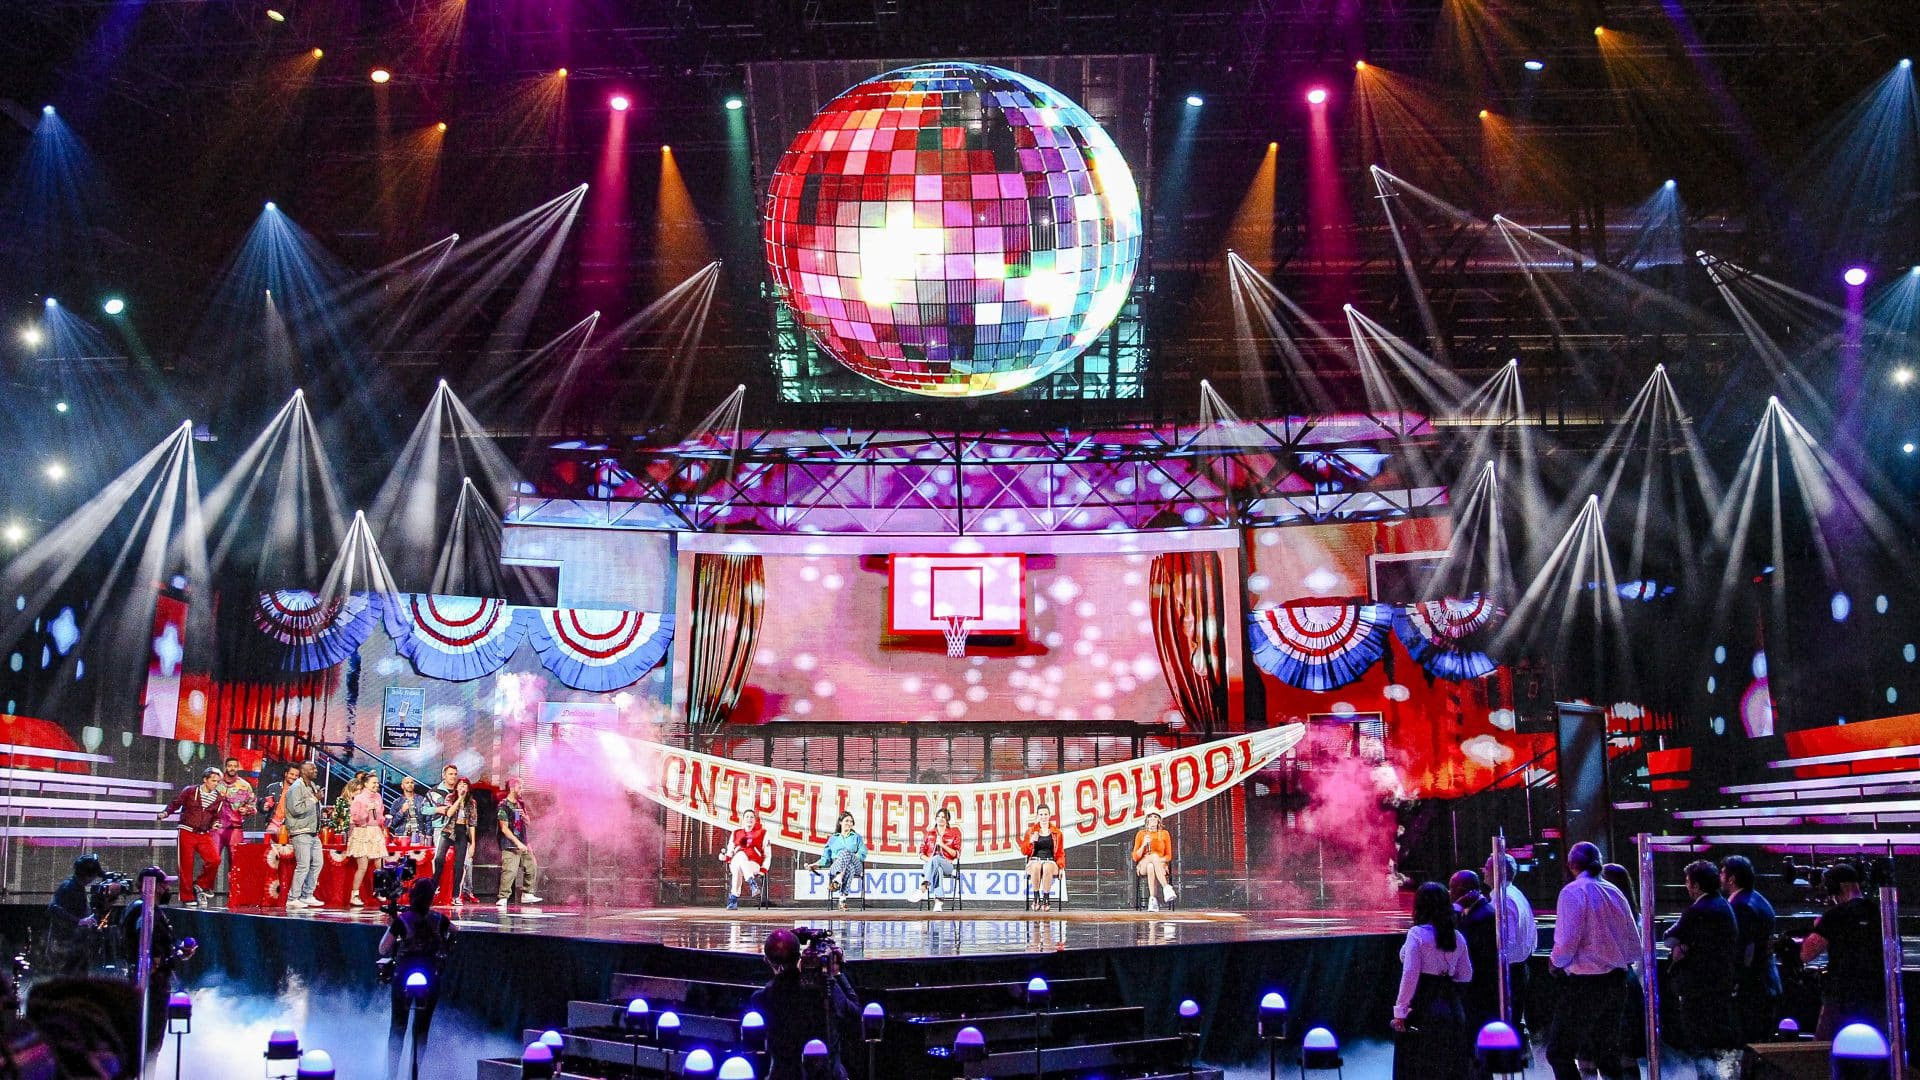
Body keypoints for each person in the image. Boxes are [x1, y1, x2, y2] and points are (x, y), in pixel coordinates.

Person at [1545, 841, 1641, 1080]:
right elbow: (1634, 945)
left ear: (1571, 865)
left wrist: (1555, 962)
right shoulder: (1614, 891)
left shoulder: (1573, 891)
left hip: (1586, 983)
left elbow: (1567, 941)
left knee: (1558, 1052)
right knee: (1607, 1052)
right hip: (1617, 981)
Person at [746, 929, 859, 1080]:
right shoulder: (822, 990)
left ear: (767, 960)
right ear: (798, 957)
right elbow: (855, 1012)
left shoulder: (760, 999)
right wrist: (836, 973)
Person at [1663, 860, 1739, 1074]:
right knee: (1715, 1044)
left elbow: (1669, 939)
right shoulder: (1723, 905)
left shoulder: (1697, 910)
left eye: (1688, 882)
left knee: (1699, 1043)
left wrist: (1683, 947)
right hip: (1720, 984)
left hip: (1697, 989)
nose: (1686, 886)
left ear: (1696, 885)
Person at [1393, 881, 1473, 1080]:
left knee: (1419, 1065)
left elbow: (1410, 974)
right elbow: (1466, 974)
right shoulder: (1457, 936)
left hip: (1424, 1003)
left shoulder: (1417, 934)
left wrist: (1400, 1011)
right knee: (1449, 1063)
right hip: (1451, 1005)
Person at [381, 877, 455, 1080]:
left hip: (403, 975)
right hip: (430, 976)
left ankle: (391, 1075)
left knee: (398, 1025)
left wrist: (391, 927)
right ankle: (415, 1075)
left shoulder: (403, 920)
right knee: (422, 1029)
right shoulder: (439, 919)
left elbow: (383, 948)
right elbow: (456, 932)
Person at [121, 866, 196, 1064]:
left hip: (152, 984)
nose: (167, 889)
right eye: (164, 885)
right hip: (151, 987)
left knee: (150, 1042)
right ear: (154, 886)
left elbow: (163, 947)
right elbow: (150, 952)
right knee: (149, 1042)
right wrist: (163, 959)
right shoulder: (144, 911)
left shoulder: (149, 910)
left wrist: (179, 952)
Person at [1800, 863, 1885, 1040]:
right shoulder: (1878, 912)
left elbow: (1806, 954)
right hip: (1876, 994)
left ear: (1836, 887)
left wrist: (1818, 927)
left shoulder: (1834, 915)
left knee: (1824, 1046)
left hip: (1841, 996)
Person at [1720, 855, 1781, 1043]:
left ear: (1732, 878)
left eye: (1722, 873)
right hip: (1767, 982)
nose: (1719, 877)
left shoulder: (1740, 906)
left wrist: (1735, 981)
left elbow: (1746, 948)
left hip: (1752, 989)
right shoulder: (1759, 900)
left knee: (1747, 1042)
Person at [157, 767, 228, 906]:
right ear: (205, 780)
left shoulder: (219, 798)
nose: (215, 784)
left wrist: (215, 823)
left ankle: (201, 885)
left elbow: (216, 816)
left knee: (215, 860)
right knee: (186, 865)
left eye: (217, 782)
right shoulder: (190, 791)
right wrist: (166, 813)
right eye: (213, 781)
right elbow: (176, 803)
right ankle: (187, 896)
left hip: (203, 834)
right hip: (186, 831)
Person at [1484, 852, 1536, 1035]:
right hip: (1519, 969)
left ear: (1497, 871)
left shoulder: (1502, 899)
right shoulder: (1517, 894)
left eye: (1487, 867)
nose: (1484, 871)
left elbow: (1507, 943)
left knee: (1506, 1026)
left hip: (1508, 973)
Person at [1450, 869, 1500, 1042]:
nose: (1450, 894)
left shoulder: (1481, 916)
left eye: (1452, 889)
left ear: (1463, 891)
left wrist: (1456, 908)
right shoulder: (1479, 911)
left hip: (1478, 988)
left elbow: (1459, 945)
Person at [46, 854, 106, 975]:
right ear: (87, 875)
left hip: (73, 945)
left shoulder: (75, 886)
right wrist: (79, 921)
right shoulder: (69, 887)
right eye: (93, 875)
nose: (94, 879)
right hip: (66, 947)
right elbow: (53, 908)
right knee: (69, 978)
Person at [213, 757, 256, 907]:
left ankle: (235, 894)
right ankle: (204, 890)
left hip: (235, 828)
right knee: (212, 860)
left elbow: (253, 806)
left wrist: (247, 810)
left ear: (238, 768)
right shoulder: (216, 783)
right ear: (225, 767)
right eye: (229, 766)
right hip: (217, 828)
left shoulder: (244, 785)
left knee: (236, 862)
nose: (232, 768)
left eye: (234, 766)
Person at [496, 776, 543, 907]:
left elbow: (528, 822)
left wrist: (525, 817)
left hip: (523, 840)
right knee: (510, 870)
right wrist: (517, 843)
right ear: (512, 788)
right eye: (520, 787)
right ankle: (503, 897)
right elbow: (504, 828)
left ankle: (527, 893)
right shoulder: (503, 806)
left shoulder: (520, 803)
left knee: (531, 865)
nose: (522, 790)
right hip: (510, 843)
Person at [345, 772, 388, 907]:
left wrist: (383, 821)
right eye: (374, 783)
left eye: (377, 783)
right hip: (362, 832)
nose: (376, 785)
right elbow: (356, 819)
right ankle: (355, 895)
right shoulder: (359, 799)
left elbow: (380, 816)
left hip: (375, 832)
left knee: (379, 864)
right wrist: (366, 811)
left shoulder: (378, 797)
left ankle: (379, 890)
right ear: (366, 784)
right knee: (362, 866)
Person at [284, 761, 324, 909]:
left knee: (318, 863)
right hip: (301, 832)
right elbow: (296, 810)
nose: (315, 770)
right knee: (303, 865)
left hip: (313, 832)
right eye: (312, 768)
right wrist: (314, 799)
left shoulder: (311, 786)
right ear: (303, 771)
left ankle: (307, 895)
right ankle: (293, 898)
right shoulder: (296, 787)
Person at [815, 811, 868, 910]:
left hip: (855, 863)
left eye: (851, 821)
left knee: (846, 853)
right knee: (849, 868)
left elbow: (863, 853)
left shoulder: (857, 837)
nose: (849, 823)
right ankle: (842, 900)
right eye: (847, 821)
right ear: (840, 822)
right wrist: (815, 865)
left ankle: (838, 879)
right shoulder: (833, 839)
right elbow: (826, 858)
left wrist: (851, 856)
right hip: (837, 865)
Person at [1019, 804, 1066, 911]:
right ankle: (1036, 897)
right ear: (1037, 816)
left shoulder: (1057, 833)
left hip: (1050, 862)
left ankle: (1046, 898)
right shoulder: (1031, 831)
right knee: (1036, 866)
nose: (1043, 817)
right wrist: (1031, 841)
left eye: (1045, 814)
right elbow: (1024, 851)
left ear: (1049, 815)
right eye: (1041, 814)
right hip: (1035, 861)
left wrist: (1061, 867)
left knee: (1047, 867)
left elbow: (1060, 852)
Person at [721, 809, 769, 910]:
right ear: (743, 819)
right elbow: (730, 849)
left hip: (753, 864)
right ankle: (752, 883)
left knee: (739, 865)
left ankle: (733, 899)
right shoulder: (736, 833)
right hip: (736, 862)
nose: (749, 819)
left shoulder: (762, 833)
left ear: (755, 820)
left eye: (752, 817)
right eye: (747, 817)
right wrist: (725, 857)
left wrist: (764, 869)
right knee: (740, 855)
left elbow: (767, 854)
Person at [916, 807, 961, 910]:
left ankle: (924, 886)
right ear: (935, 818)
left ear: (947, 820)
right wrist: (931, 861)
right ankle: (938, 901)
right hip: (930, 865)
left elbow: (956, 854)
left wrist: (942, 845)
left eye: (943, 817)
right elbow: (921, 853)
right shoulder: (929, 834)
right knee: (938, 869)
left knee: (937, 860)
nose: (941, 819)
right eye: (939, 816)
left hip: (947, 865)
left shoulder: (954, 834)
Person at [1130, 812, 1175, 911]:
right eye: (1150, 817)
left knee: (1151, 866)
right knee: (1152, 859)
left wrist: (1157, 861)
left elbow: (1168, 856)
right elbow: (1135, 857)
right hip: (1143, 864)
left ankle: (1152, 901)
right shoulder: (1141, 834)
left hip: (1160, 865)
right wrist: (1143, 845)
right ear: (1147, 820)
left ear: (1159, 820)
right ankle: (1166, 888)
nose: (1153, 819)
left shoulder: (1164, 834)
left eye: (1155, 817)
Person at [388, 775, 433, 847]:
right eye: (407, 783)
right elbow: (392, 823)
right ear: (402, 786)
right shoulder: (397, 802)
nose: (410, 784)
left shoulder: (422, 800)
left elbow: (428, 819)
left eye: (412, 783)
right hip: (402, 836)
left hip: (419, 836)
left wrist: (428, 835)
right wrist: (401, 811)